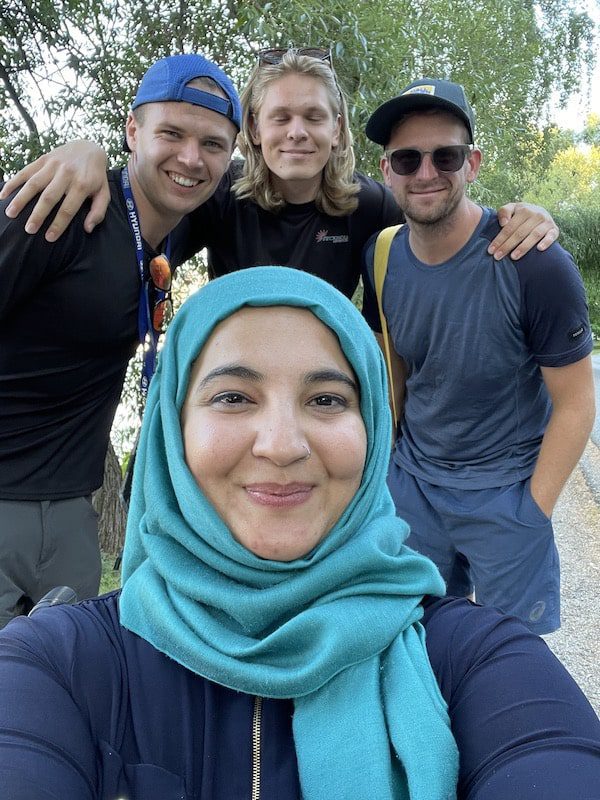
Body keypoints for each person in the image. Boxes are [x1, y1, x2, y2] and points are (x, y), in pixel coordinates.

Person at [0, 267, 598, 800]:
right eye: (233, 397)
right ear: (170, 431)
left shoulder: (474, 659)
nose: (283, 445)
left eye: (327, 399)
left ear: (372, 433)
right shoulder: (58, 667)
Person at [1, 49, 561, 302]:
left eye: (313, 117)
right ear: (254, 131)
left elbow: (439, 227)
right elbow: (139, 225)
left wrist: (515, 216)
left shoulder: (370, 206)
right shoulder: (218, 193)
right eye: (281, 117)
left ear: (338, 130)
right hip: (238, 375)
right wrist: (90, 153)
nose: (297, 132)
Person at [0, 53, 241, 627]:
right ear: (133, 131)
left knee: (57, 697)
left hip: (71, 516)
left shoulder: (183, 220)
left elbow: (304, 175)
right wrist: (85, 147)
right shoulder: (57, 207)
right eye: (172, 134)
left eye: (212, 143)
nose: (190, 158)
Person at [362, 78, 596, 635]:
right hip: (413, 487)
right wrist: (387, 468)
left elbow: (577, 403)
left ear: (473, 163)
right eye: (407, 158)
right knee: (418, 647)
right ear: (386, 169)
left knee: (510, 664)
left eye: (445, 156)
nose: (426, 173)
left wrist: (532, 513)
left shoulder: (532, 262)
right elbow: (395, 367)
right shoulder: (382, 254)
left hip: (507, 497)